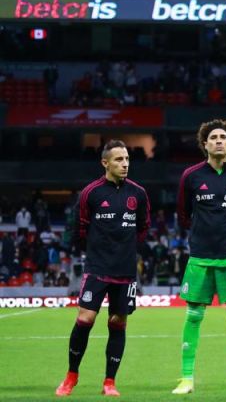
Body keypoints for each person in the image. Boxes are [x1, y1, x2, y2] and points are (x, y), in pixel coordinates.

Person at [55, 141, 150, 398]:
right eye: (119, 159)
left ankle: (110, 382)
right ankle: (71, 376)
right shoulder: (90, 193)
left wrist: (127, 250)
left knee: (118, 322)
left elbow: (143, 227)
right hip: (97, 267)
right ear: (105, 163)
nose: (125, 164)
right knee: (85, 319)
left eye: (127, 158)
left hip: (126, 270)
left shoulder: (138, 193)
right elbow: (80, 228)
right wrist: (97, 250)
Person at [173, 120, 226, 394]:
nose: (219, 140)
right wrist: (203, 234)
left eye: (224, 137)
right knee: (194, 315)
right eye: (214, 137)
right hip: (200, 256)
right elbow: (183, 215)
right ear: (205, 144)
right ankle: (187, 378)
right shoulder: (191, 176)